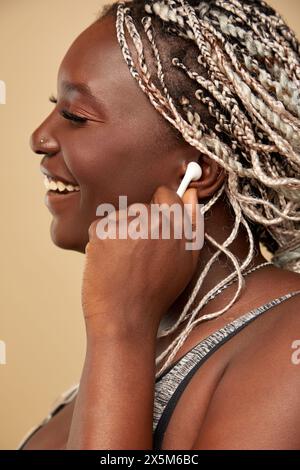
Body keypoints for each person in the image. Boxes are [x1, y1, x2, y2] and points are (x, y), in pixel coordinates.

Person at [19, 0, 300, 449]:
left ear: (199, 168)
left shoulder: (291, 340)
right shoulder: (158, 344)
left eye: (75, 116)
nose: (39, 138)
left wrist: (119, 328)